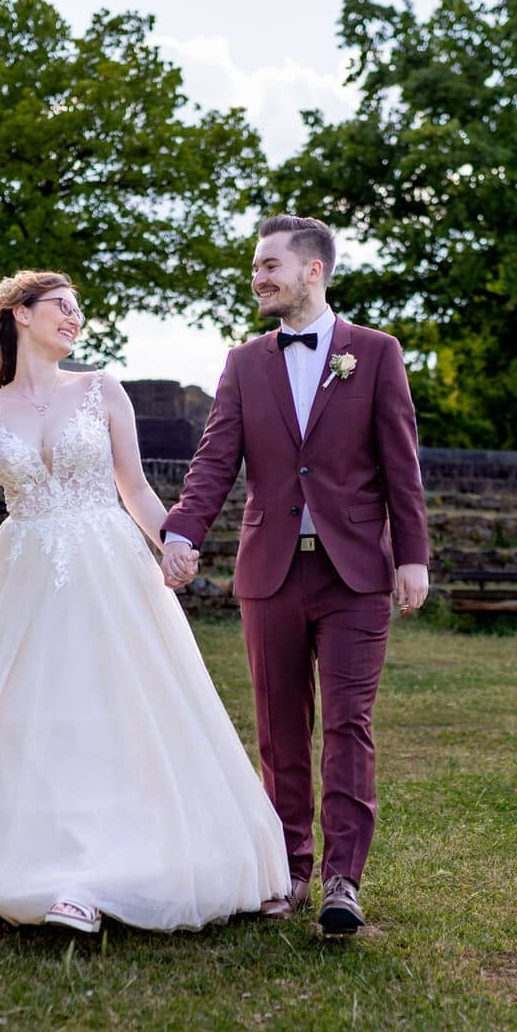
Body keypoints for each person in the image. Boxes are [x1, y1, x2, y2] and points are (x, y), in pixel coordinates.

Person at [0, 270, 288, 933]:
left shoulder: (103, 389)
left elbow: (133, 485)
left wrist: (173, 542)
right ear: (20, 314)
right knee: (36, 720)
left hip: (108, 565)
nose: (74, 318)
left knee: (120, 708)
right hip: (24, 575)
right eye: (61, 307)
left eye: (79, 311)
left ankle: (127, 865)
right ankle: (49, 872)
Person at [161, 215, 429, 936]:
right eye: (256, 267)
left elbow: (402, 464)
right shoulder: (245, 362)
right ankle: (287, 870)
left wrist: (413, 555)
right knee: (280, 732)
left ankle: (344, 880)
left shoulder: (375, 354)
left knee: (349, 724)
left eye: (271, 265)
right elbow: (216, 459)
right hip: (270, 571)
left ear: (313, 270)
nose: (259, 277)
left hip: (355, 576)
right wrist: (182, 531)